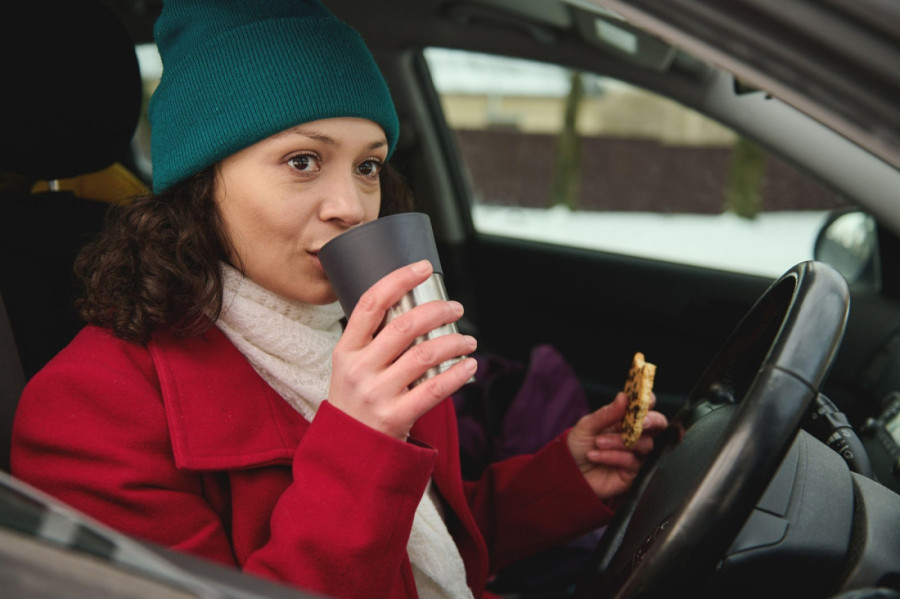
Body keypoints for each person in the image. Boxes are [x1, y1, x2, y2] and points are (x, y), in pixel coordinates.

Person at [10, 1, 667, 598]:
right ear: (200, 185)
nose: (351, 207)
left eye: (368, 165)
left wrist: (563, 480)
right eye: (302, 161)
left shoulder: (368, 327)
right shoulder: (87, 410)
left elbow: (424, 548)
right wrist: (360, 440)